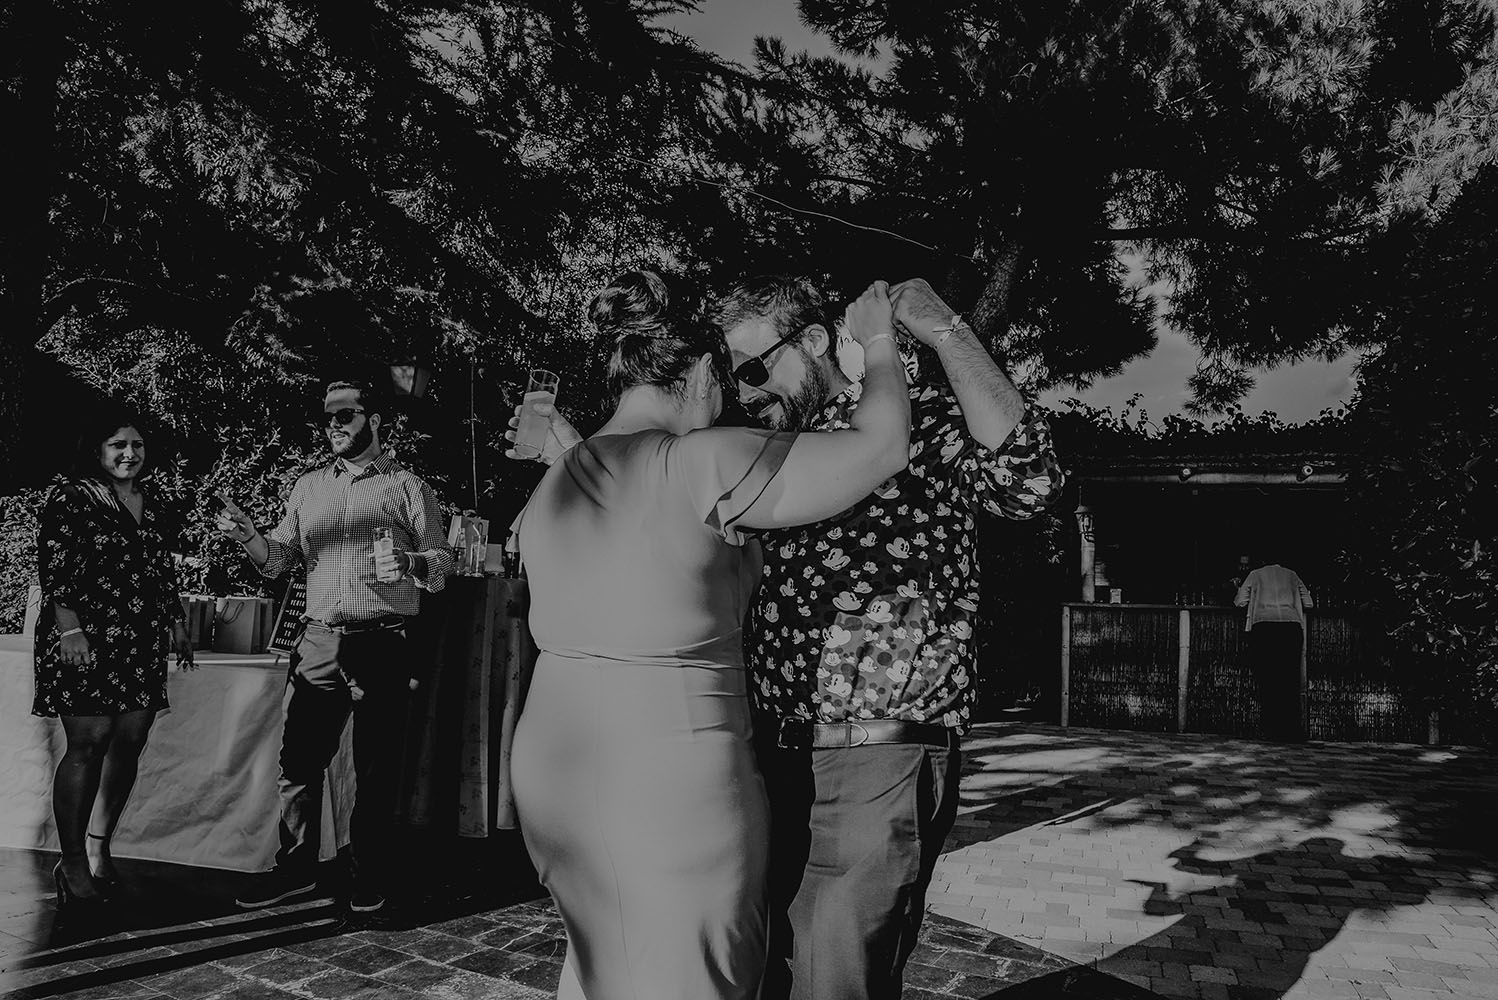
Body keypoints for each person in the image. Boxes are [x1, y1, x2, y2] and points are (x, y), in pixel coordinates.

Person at [506, 270, 911, 1000]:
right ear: (697, 374)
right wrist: (880, 340)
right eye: (724, 383)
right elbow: (881, 447)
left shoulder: (558, 480)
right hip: (666, 780)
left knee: (609, 970)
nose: (732, 402)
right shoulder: (699, 461)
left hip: (555, 772)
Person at [716, 275, 1065, 1000]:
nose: (745, 391)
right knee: (764, 976)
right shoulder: (775, 448)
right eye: (733, 376)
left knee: (835, 979)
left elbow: (1029, 482)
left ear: (814, 342)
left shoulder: (919, 418)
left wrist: (945, 328)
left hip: (875, 757)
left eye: (754, 369)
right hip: (771, 757)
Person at [216, 379, 454, 914]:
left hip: (383, 642)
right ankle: (296, 868)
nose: (333, 425)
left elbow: (441, 566)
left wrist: (410, 562)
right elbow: (278, 560)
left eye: (345, 414)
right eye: (327, 417)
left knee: (376, 768)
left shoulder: (409, 487)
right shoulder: (308, 487)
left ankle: (368, 873)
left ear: (375, 420)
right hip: (319, 642)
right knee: (298, 762)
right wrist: (249, 537)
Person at [33, 411, 195, 910]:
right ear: (97, 450)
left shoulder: (153, 500)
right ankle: (71, 862)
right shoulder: (71, 497)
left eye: (137, 445)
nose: (130, 453)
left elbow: (161, 566)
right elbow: (55, 567)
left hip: (140, 637)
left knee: (129, 740)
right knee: (89, 742)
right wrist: (70, 629)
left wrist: (176, 621)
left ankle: (99, 847)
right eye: (118, 444)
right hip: (84, 634)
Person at [1235, 559, 1314, 741]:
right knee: (1289, 679)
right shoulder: (1292, 575)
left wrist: (1239, 589)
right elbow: (1309, 603)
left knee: (1268, 679)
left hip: (1264, 627)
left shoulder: (1255, 574)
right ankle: (1292, 731)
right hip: (1290, 627)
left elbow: (1240, 602)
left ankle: (1271, 730)